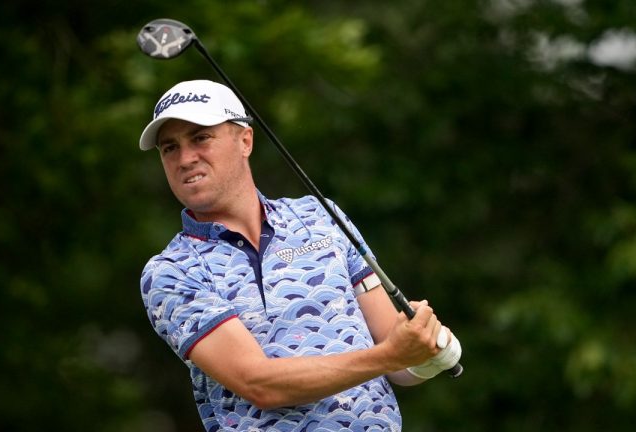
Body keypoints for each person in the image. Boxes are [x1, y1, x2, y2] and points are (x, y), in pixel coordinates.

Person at [139, 79, 461, 431]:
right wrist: (389, 355)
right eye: (170, 148)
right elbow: (259, 383)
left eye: (201, 137)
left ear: (245, 140)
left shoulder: (320, 216)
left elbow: (395, 359)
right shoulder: (172, 271)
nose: (185, 158)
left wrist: (425, 354)